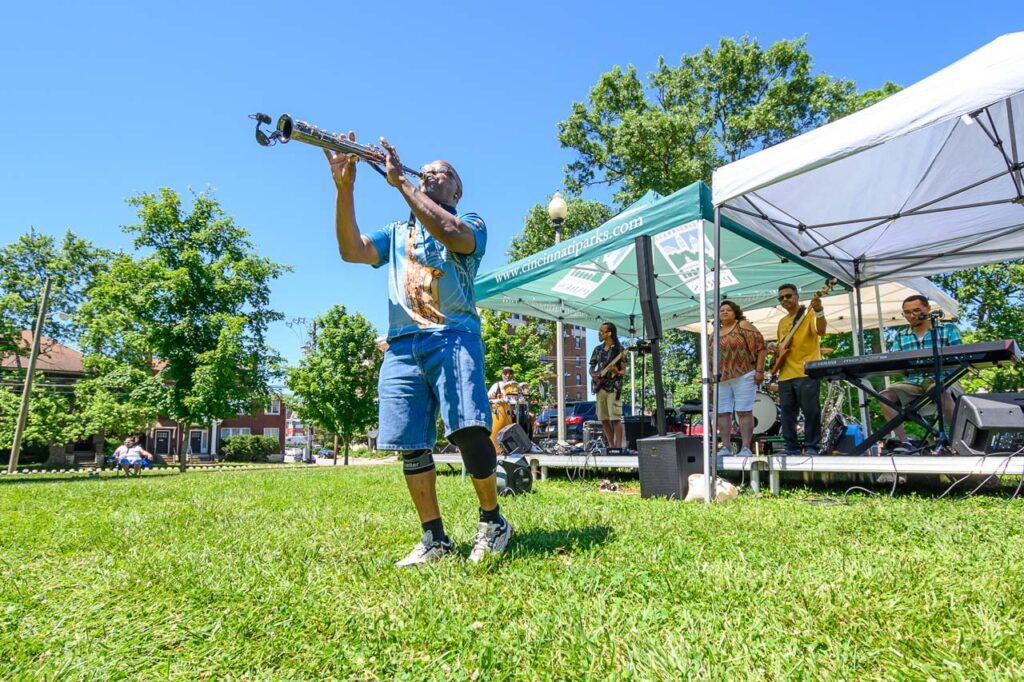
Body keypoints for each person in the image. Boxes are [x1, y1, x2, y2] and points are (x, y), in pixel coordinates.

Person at [325, 133, 510, 566]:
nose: (428, 174)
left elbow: (452, 234)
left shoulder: (473, 222)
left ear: (456, 190)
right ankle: (435, 539)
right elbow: (351, 250)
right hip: (403, 345)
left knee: (468, 429)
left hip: (453, 336)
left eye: (439, 173)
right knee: (411, 443)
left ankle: (493, 520)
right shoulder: (396, 232)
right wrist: (345, 188)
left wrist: (402, 185)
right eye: (423, 171)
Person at [880, 295, 963, 451]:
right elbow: (900, 367)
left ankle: (957, 442)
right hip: (914, 382)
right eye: (907, 312)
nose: (912, 315)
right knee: (885, 396)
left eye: (917, 310)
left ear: (928, 309)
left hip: (945, 379)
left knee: (940, 390)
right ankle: (904, 443)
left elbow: (961, 360)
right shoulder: (900, 335)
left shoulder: (948, 329)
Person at [771, 283, 827, 456]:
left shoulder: (809, 314)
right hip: (785, 374)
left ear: (797, 296)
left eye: (788, 296)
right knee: (787, 414)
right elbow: (783, 347)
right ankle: (791, 448)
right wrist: (775, 348)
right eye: (781, 298)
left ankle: (812, 447)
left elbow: (821, 330)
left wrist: (819, 311)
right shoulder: (782, 322)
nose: (784, 300)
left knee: (811, 411)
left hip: (806, 371)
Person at [711, 300, 766, 457]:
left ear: (735, 313)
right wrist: (709, 379)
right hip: (721, 377)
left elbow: (762, 347)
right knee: (722, 413)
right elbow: (710, 358)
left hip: (744, 373)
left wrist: (760, 371)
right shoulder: (713, 334)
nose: (725, 312)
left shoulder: (743, 325)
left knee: (743, 411)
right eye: (722, 310)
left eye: (729, 310)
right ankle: (726, 448)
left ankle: (746, 447)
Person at [589, 322, 626, 449]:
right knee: (604, 418)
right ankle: (611, 445)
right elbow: (591, 368)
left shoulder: (619, 350)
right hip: (600, 387)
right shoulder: (597, 349)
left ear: (609, 333)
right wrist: (593, 375)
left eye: (601, 331)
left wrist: (616, 372)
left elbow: (623, 371)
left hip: (613, 388)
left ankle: (619, 447)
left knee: (615, 418)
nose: (599, 333)